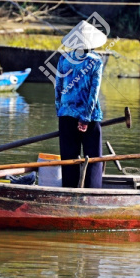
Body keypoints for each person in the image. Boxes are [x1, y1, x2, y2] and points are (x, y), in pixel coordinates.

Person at [54, 20, 107, 188]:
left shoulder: (63, 59)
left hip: (66, 115)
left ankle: (70, 191)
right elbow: (94, 91)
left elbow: (58, 88)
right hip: (89, 117)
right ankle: (93, 192)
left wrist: (60, 110)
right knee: (93, 159)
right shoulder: (96, 61)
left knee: (69, 159)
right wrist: (85, 117)